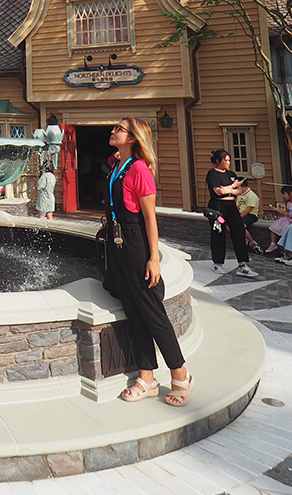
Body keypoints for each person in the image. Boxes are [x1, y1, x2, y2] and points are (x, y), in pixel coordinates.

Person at [104, 117, 195, 407]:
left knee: (152, 313)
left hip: (135, 244)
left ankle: (181, 374)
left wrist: (153, 258)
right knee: (134, 312)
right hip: (117, 243)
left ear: (133, 138)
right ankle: (147, 377)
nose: (113, 130)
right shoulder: (117, 166)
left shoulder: (139, 169)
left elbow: (149, 218)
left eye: (119, 128)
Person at [206, 150, 258, 277]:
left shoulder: (231, 174)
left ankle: (242, 264)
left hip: (231, 206)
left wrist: (227, 189)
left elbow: (239, 190)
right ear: (218, 161)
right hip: (217, 206)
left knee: (239, 231)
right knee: (218, 233)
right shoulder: (212, 174)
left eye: (229, 160)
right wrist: (232, 187)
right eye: (226, 160)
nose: (228, 163)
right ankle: (218, 262)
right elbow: (218, 192)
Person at [265, 186, 292, 253]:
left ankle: (286, 249)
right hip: (287, 219)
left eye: (284, 194)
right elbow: (286, 213)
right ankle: (273, 244)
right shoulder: (288, 203)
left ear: (290, 194)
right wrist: (276, 209)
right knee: (274, 227)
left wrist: (291, 215)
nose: (284, 196)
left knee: (285, 231)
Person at [236, 179, 262, 254]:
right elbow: (238, 206)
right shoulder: (240, 195)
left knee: (240, 226)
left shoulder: (251, 195)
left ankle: (252, 243)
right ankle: (243, 238)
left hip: (251, 215)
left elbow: (249, 208)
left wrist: (239, 217)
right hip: (241, 214)